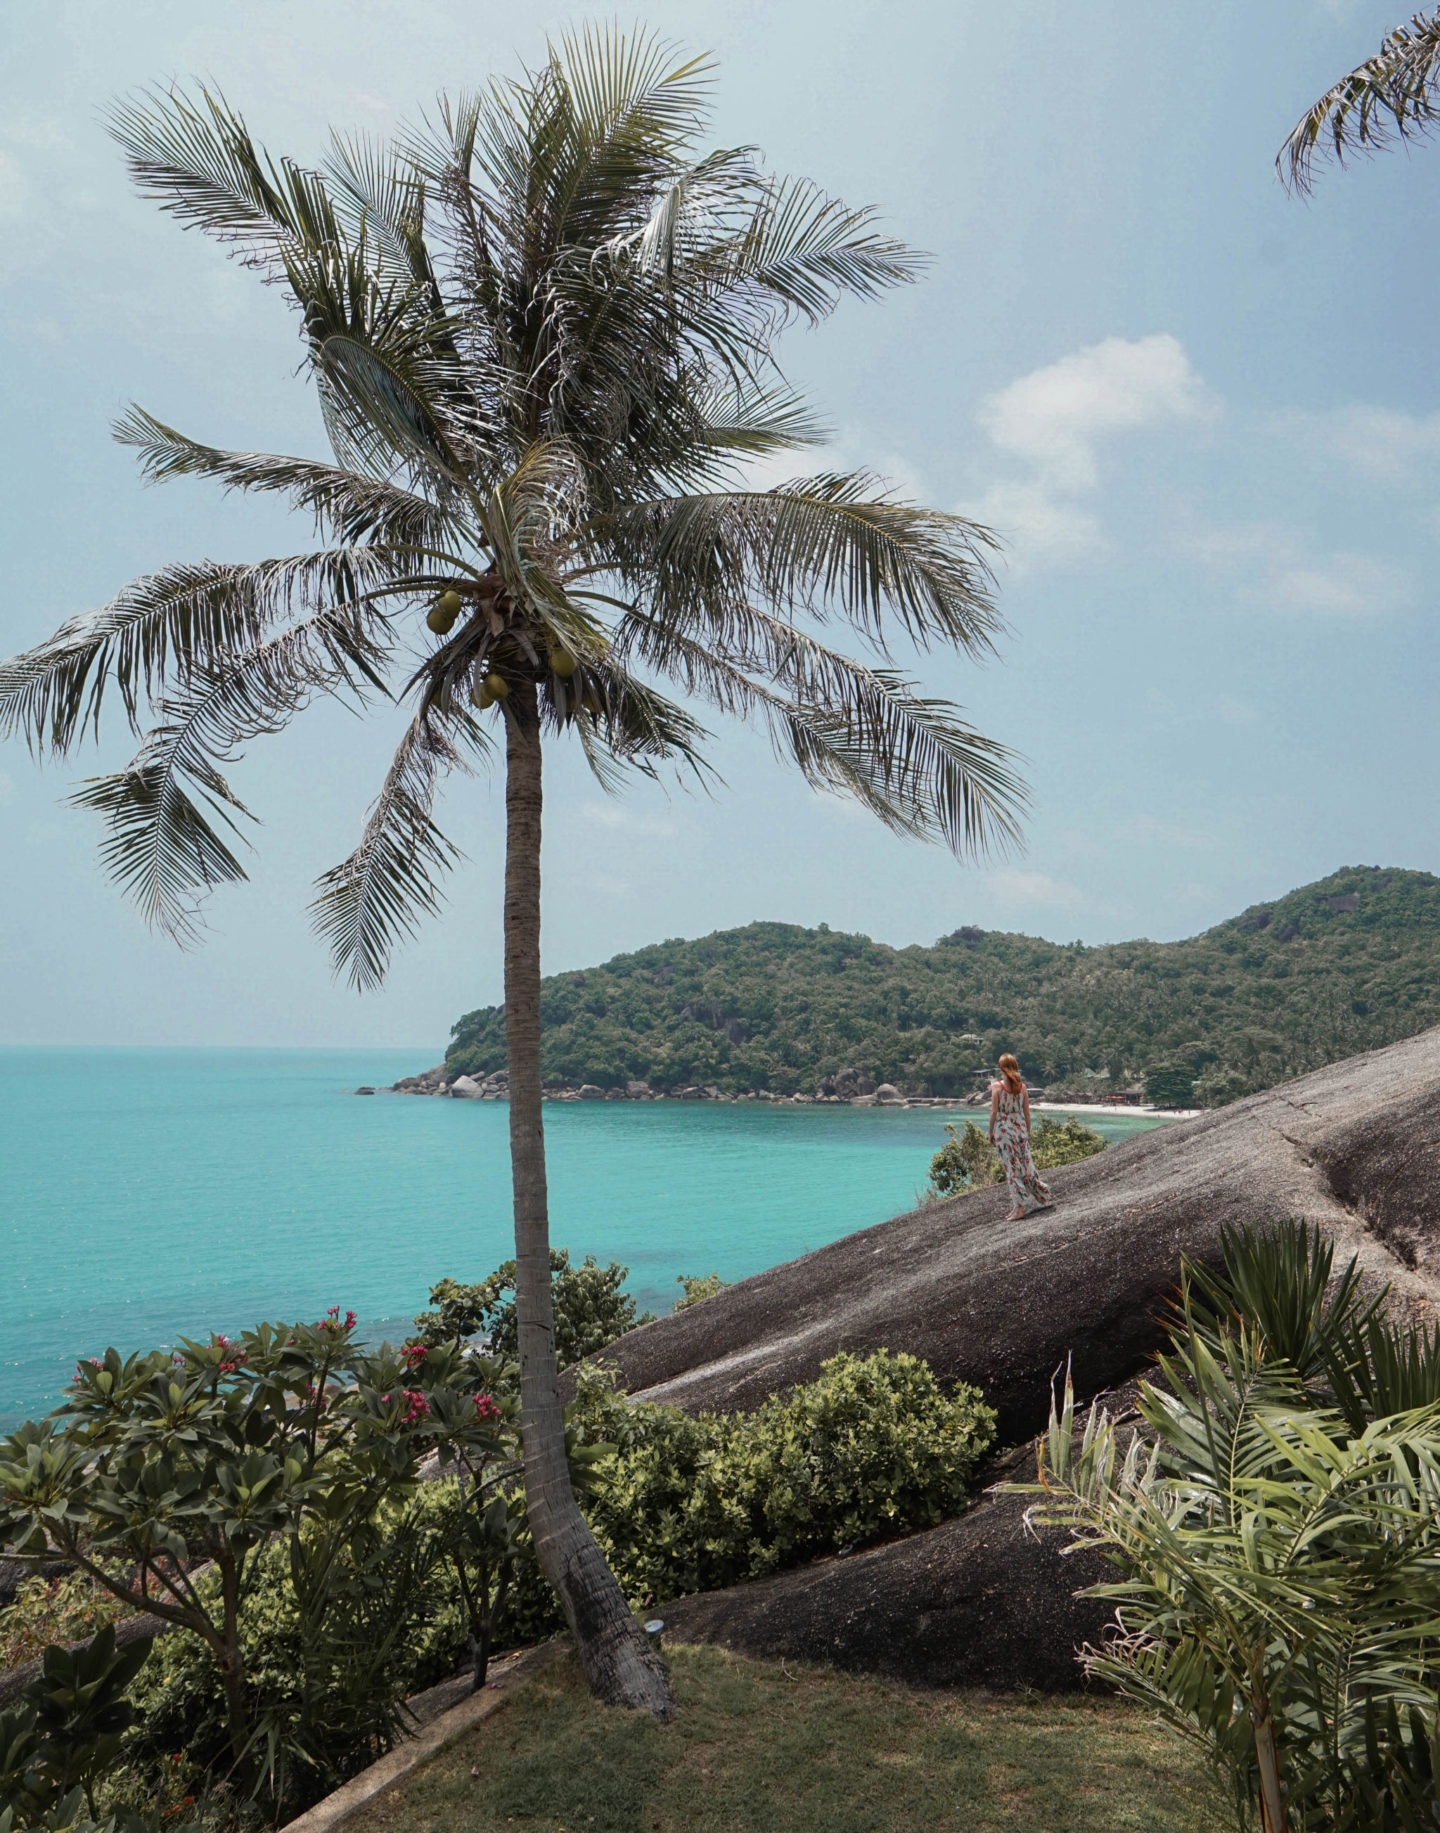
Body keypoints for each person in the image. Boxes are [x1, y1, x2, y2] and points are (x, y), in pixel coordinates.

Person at [988, 1053, 1051, 1222]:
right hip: (1020, 1129)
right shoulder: (1022, 1087)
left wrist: (990, 1132)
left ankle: (1019, 1209)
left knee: (1012, 1168)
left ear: (1002, 1068)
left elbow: (994, 1112)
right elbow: (1027, 1113)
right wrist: (1027, 1133)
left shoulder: (997, 1087)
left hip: (1004, 1130)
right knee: (1025, 1164)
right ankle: (1027, 1201)